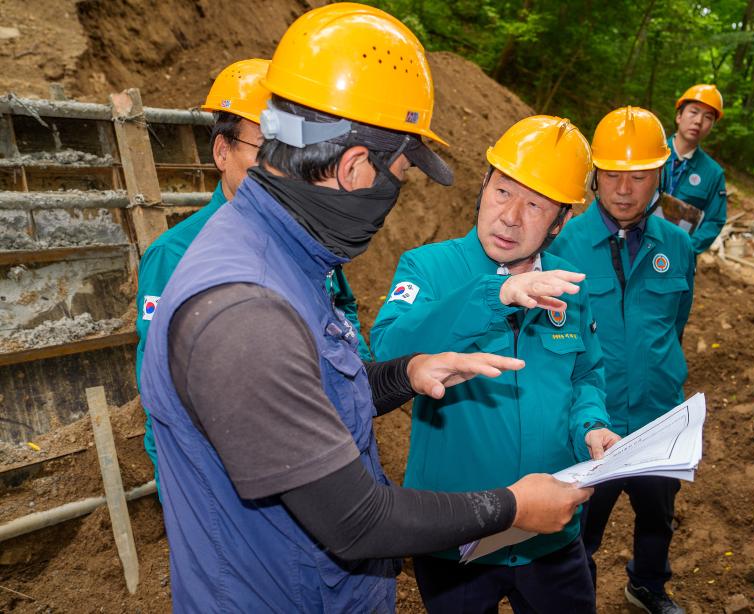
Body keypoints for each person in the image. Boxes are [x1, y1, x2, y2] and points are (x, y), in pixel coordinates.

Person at [139, 6, 591, 613]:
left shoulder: (289, 260)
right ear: (355, 168)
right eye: (398, 176)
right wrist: (513, 507)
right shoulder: (245, 311)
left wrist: (406, 373)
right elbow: (356, 520)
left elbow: (317, 393)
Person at [371, 115, 619, 613]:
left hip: (550, 534)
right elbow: (388, 348)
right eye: (503, 192)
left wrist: (591, 426)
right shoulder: (428, 267)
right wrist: (495, 294)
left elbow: (584, 376)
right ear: (484, 184)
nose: (510, 217)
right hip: (456, 536)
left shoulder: (570, 287)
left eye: (536, 205)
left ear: (560, 221)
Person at [134, 58, 372, 491]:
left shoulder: (306, 240)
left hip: (318, 449)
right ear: (222, 152)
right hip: (229, 476)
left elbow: (343, 310)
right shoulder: (175, 255)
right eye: (265, 149)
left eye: (290, 151)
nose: (281, 167)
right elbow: (162, 382)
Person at [551, 106, 695, 614]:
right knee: (580, 527)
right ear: (594, 175)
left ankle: (648, 586)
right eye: (612, 174)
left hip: (658, 416)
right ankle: (576, 598)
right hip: (594, 421)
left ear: (660, 175)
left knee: (657, 515)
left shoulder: (678, 245)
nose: (624, 190)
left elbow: (676, 322)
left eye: (639, 176)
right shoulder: (563, 244)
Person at [663, 84, 726, 254]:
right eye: (694, 112)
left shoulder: (713, 174)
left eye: (708, 117)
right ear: (679, 116)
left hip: (678, 256)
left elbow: (714, 221)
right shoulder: (651, 153)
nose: (698, 121)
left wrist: (686, 250)